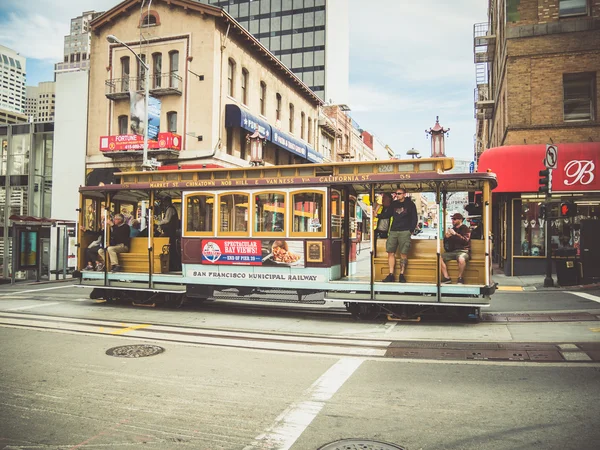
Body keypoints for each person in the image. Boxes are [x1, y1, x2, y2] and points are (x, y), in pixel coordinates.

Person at [378, 188, 418, 283]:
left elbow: (414, 218)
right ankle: (391, 274)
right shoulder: (394, 204)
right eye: (396, 193)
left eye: (399, 193)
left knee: (403, 253)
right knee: (390, 252)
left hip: (405, 231)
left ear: (404, 194)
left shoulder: (410, 204)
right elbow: (387, 214)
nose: (397, 195)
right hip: (394, 230)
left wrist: (410, 230)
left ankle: (401, 274)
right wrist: (377, 215)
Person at [440, 213, 471, 285]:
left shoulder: (465, 229)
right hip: (453, 252)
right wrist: (446, 238)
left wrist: (455, 234)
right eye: (452, 219)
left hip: (463, 251)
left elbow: (465, 241)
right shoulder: (452, 229)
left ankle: (460, 278)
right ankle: (446, 277)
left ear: (460, 220)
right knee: (439, 257)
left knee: (461, 259)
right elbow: (447, 247)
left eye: (454, 219)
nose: (452, 221)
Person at [156, 197, 181, 271]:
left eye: (164, 202)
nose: (163, 203)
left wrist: (158, 223)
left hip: (170, 232)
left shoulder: (170, 209)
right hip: (170, 231)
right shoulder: (169, 208)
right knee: (171, 248)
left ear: (167, 202)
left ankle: (174, 265)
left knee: (171, 248)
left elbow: (167, 220)